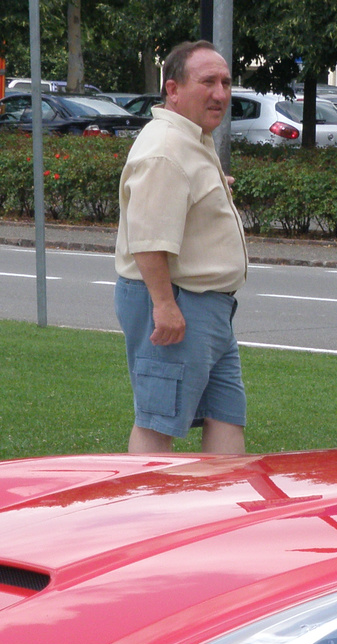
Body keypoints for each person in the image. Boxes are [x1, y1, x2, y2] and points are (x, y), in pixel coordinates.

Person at [114, 40, 248, 454]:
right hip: (177, 302)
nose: (221, 94)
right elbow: (148, 239)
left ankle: (221, 511)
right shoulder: (167, 149)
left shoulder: (192, 139)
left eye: (226, 82)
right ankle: (149, 514)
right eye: (207, 82)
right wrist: (164, 306)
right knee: (158, 422)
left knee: (226, 415)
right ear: (172, 89)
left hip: (208, 307)